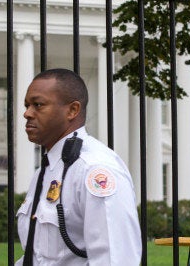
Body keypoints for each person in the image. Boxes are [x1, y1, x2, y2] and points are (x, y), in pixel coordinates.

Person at [15, 68, 142, 265]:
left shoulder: (95, 169)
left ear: (72, 110)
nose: (27, 113)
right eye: (27, 105)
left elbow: (114, 259)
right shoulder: (46, 170)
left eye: (38, 105)